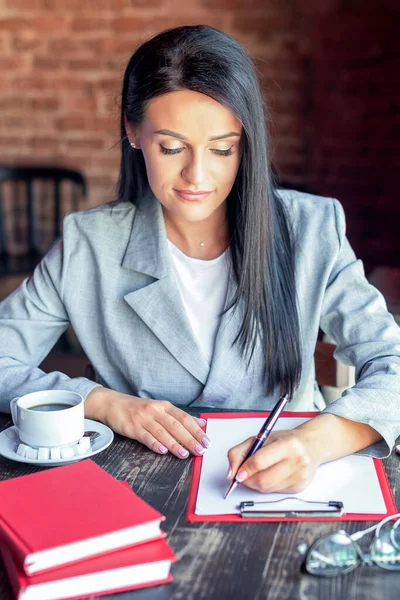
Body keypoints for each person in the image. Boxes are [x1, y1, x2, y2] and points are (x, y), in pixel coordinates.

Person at [1, 25, 399, 495]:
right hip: (131, 488)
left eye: (222, 149)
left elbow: (390, 359)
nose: (197, 174)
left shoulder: (312, 229)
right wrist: (103, 403)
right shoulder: (89, 245)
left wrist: (315, 441)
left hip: (283, 489)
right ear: (132, 131)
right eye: (171, 147)